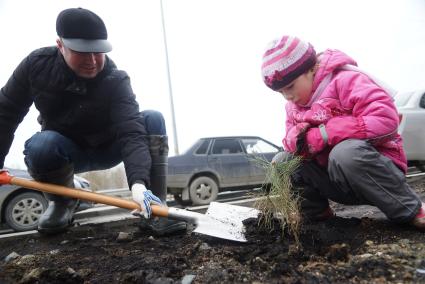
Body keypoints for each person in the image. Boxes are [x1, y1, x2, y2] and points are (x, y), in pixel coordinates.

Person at [0, 7, 187, 235]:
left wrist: (138, 183)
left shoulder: (115, 79)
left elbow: (131, 132)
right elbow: (6, 112)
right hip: (65, 153)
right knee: (41, 146)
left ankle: (155, 206)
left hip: (109, 147)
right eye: (82, 51)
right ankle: (62, 203)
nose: (92, 60)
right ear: (60, 45)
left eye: (97, 51)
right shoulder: (36, 67)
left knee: (152, 119)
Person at [261, 35, 425, 229]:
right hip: (336, 181)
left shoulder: (346, 80)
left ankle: (411, 209)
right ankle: (316, 216)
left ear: (311, 69)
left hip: (377, 174)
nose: (287, 96)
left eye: (290, 86)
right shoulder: (292, 107)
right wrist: (300, 140)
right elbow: (290, 139)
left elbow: (386, 120)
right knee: (283, 161)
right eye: (281, 92)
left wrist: (325, 134)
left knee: (344, 153)